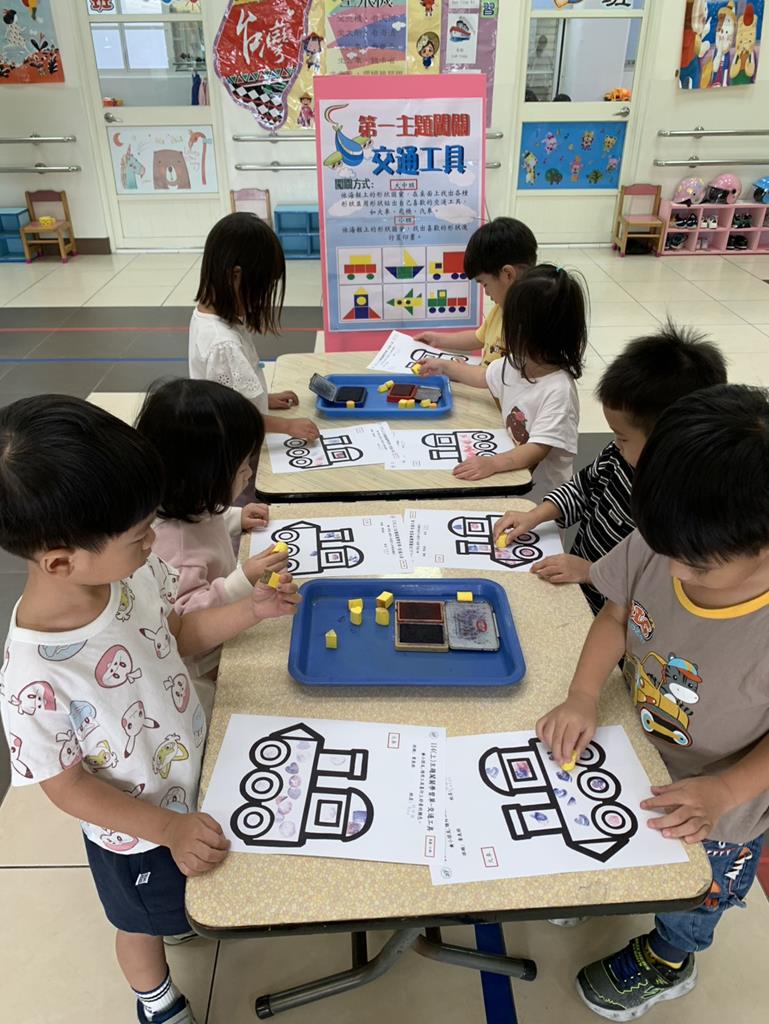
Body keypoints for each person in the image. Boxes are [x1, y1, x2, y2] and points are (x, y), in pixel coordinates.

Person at [0, 396, 301, 1024]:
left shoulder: (129, 574)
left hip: (191, 773)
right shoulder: (34, 675)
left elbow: (175, 635)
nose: (153, 539)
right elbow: (67, 788)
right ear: (61, 561)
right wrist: (166, 830)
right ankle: (156, 999)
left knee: (189, 888)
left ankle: (181, 914)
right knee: (141, 924)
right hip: (135, 833)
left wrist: (250, 611)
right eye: (139, 534)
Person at [536, 383, 769, 1020]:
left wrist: (725, 792)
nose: (672, 571)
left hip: (722, 800)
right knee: (611, 834)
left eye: (697, 566)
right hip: (637, 748)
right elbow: (615, 615)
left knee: (695, 892)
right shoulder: (661, 542)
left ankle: (670, 960)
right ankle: (612, 885)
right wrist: (582, 696)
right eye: (663, 549)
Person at [492, 322, 728, 613]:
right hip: (577, 588)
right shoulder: (619, 456)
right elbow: (582, 487)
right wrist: (535, 515)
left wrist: (590, 572)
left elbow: (652, 583)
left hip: (615, 610)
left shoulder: (678, 510)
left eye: (623, 437)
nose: (615, 444)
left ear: (671, 439)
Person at [135, 379, 289, 716]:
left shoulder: (188, 505)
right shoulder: (174, 545)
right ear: (201, 478)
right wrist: (242, 579)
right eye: (241, 467)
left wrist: (235, 517)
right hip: (205, 659)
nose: (249, 474)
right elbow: (187, 618)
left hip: (226, 627)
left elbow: (209, 520)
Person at [418, 264, 587, 500]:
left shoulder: (558, 391)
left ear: (530, 333)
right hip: (512, 479)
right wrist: (445, 367)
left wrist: (493, 464)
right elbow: (482, 377)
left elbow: (537, 448)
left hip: (542, 499)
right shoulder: (517, 363)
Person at [189, 212, 319, 443]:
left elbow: (231, 392)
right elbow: (233, 416)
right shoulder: (222, 343)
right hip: (235, 444)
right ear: (235, 276)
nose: (263, 298)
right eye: (263, 288)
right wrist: (287, 426)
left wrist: (263, 399)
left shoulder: (209, 316)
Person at [414, 217, 537, 367]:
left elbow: (500, 377)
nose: (486, 293)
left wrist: (458, 370)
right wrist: (438, 339)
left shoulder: (530, 324)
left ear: (508, 275)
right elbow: (478, 338)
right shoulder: (500, 309)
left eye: (485, 284)